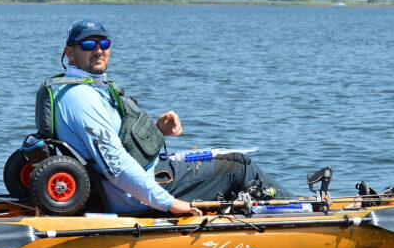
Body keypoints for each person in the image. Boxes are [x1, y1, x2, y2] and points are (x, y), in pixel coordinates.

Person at [42, 18, 291, 216]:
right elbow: (115, 164)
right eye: (88, 44)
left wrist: (156, 130)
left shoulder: (81, 88)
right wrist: (169, 204)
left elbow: (113, 144)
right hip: (133, 194)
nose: (98, 50)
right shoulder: (81, 97)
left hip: (139, 180)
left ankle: (270, 210)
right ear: (70, 53)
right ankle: (301, 214)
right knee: (238, 165)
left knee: (223, 157)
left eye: (103, 43)